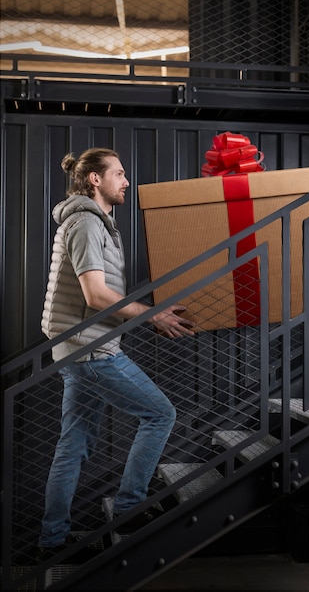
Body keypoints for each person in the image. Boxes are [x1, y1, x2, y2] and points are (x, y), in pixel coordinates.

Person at [38, 147, 194, 557]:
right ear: (95, 179)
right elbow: (94, 293)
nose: (126, 181)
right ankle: (129, 507)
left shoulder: (96, 223)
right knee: (160, 414)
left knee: (73, 444)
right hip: (90, 351)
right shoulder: (87, 223)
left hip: (78, 348)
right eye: (120, 174)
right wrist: (153, 316)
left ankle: (51, 541)